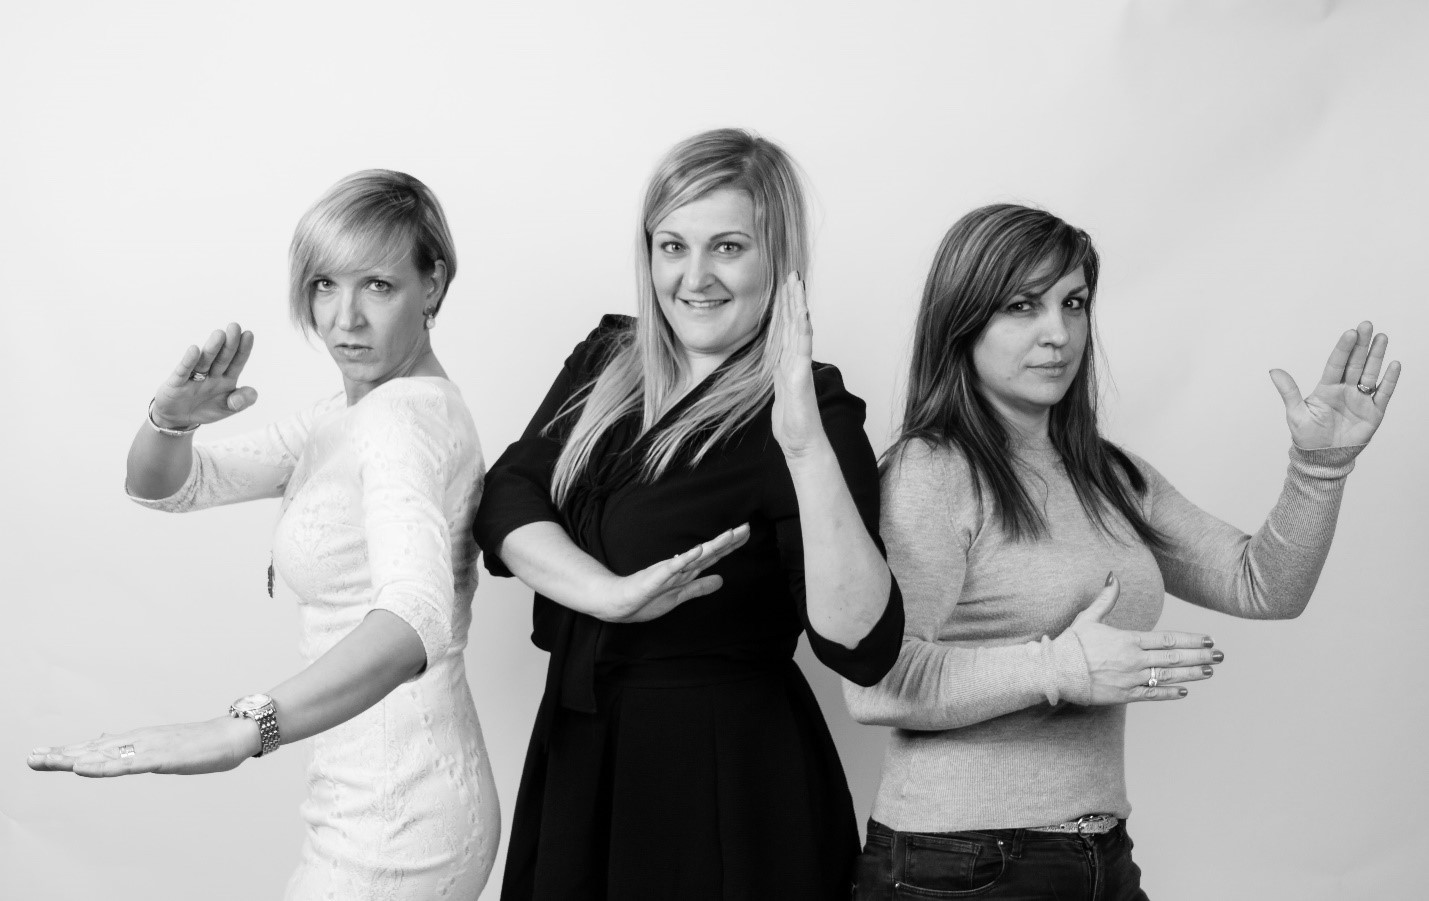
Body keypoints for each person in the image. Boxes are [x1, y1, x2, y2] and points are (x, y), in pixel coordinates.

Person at [845, 203, 1399, 900]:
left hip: (1099, 854)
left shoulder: (1107, 473)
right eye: (1021, 305)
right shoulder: (932, 471)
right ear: (963, 320)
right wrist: (1058, 666)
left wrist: (1319, 468)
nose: (1057, 333)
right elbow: (876, 685)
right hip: (957, 863)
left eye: (1072, 303)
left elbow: (1263, 584)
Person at [29, 170, 500, 899]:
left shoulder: (397, 420)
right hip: (368, 784)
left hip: (399, 807)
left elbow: (417, 616)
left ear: (432, 282)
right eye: (323, 285)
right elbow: (166, 487)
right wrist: (171, 420)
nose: (344, 319)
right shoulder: (341, 416)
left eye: (377, 285)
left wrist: (240, 729)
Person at [474, 128, 903, 900]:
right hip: (580, 753)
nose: (694, 277)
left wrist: (805, 450)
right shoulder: (605, 360)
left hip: (722, 779)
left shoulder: (813, 406)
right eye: (671, 245)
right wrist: (608, 594)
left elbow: (862, 645)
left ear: (778, 256)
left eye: (728, 247)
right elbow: (509, 494)